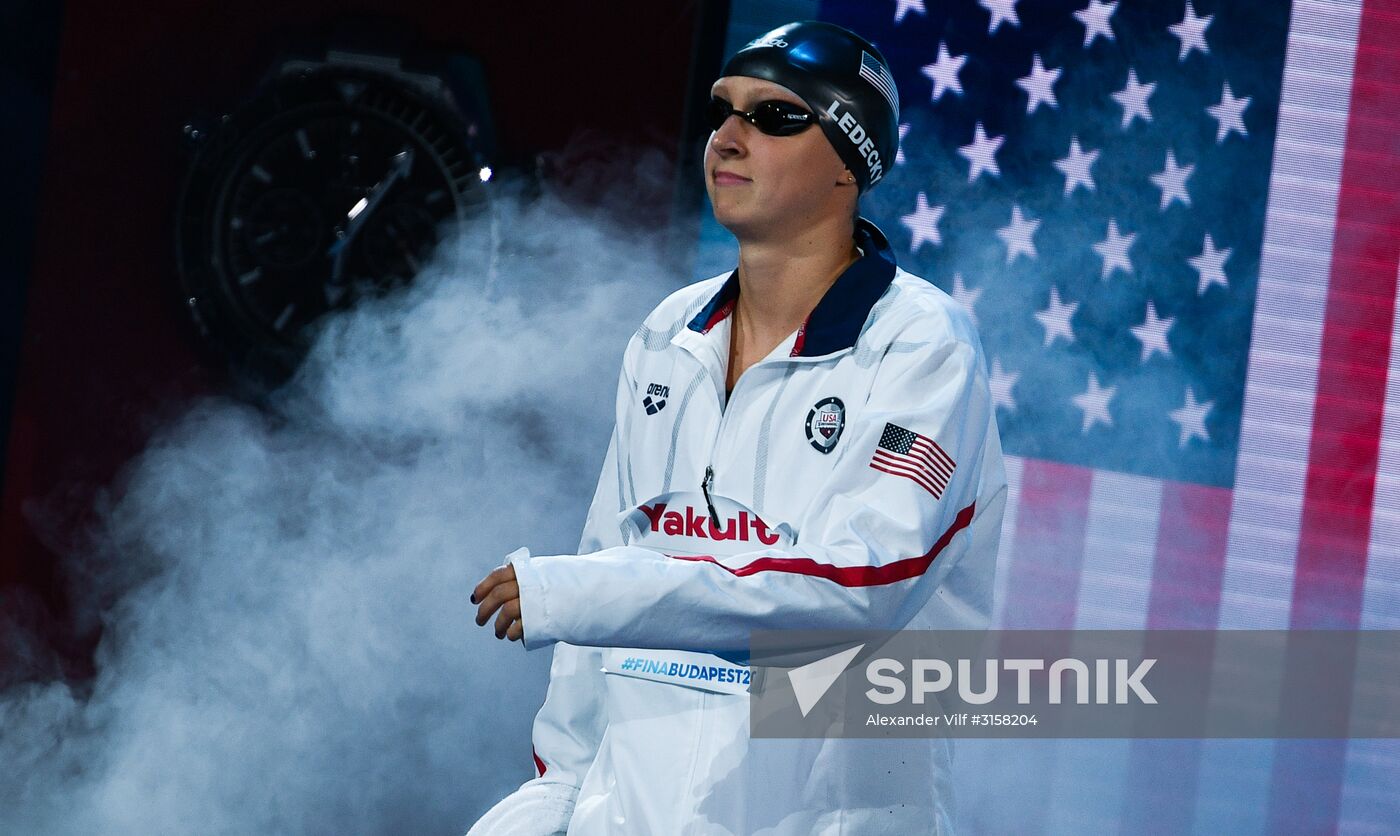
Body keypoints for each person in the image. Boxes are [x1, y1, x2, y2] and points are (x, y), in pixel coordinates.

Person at [467, 20, 1006, 835]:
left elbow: (859, 587)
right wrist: (552, 804)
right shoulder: (667, 334)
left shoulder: (923, 346)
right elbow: (600, 594)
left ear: (850, 162)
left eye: (775, 116)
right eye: (722, 109)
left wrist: (585, 593)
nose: (728, 136)